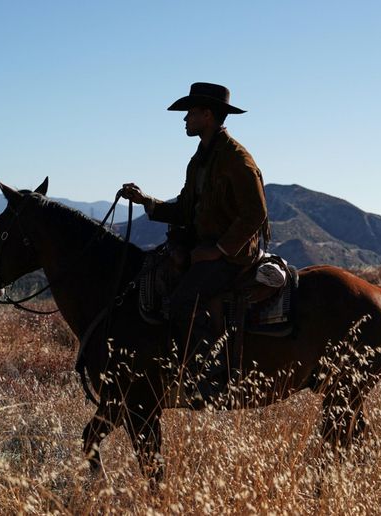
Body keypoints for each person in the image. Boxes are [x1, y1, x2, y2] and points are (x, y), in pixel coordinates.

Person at [121, 82, 270, 406]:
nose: (185, 119)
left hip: (233, 254)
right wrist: (147, 200)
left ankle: (210, 378)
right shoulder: (200, 160)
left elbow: (256, 213)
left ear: (207, 115)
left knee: (183, 301)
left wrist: (218, 250)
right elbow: (187, 209)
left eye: (190, 113)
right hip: (207, 246)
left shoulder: (237, 159)